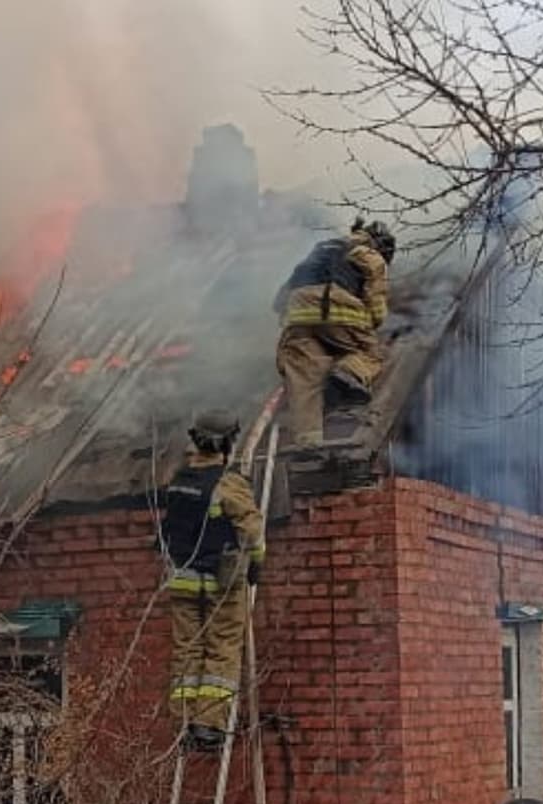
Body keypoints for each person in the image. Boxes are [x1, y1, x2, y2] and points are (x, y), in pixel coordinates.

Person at [162, 409, 265, 751]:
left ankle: (185, 724)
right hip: (221, 582)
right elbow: (252, 531)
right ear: (227, 443)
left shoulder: (178, 480)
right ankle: (209, 726)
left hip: (181, 579)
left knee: (187, 651)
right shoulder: (228, 482)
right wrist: (256, 565)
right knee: (222, 649)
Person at [273, 219, 396, 447]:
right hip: (337, 308)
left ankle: (308, 442)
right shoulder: (371, 255)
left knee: (305, 374)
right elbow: (377, 310)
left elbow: (280, 299)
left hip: (298, 312)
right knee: (374, 354)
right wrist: (366, 329)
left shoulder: (322, 249)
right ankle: (346, 372)